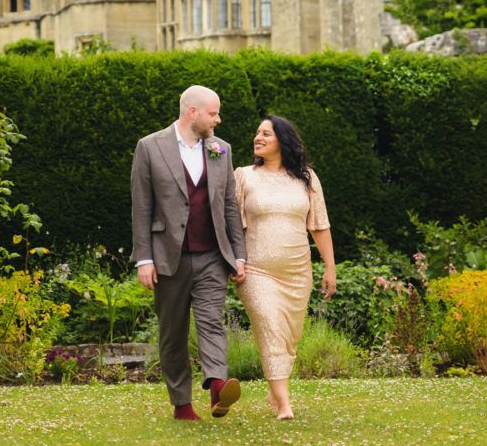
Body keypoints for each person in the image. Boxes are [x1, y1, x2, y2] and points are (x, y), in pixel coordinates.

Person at [130, 85, 247, 420]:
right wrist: (144, 258)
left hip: (213, 254)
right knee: (173, 331)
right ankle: (182, 404)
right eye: (213, 113)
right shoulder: (150, 148)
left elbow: (229, 207)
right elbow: (142, 207)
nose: (218, 120)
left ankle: (218, 388)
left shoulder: (220, 149)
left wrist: (238, 255)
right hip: (169, 256)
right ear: (192, 112)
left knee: (212, 322)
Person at [233, 115, 337, 420]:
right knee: (269, 327)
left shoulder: (306, 178)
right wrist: (234, 260)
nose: (258, 137)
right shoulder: (244, 176)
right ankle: (284, 403)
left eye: (266, 133)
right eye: (257, 133)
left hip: (296, 272)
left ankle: (275, 391)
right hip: (255, 270)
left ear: (283, 139)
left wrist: (329, 268)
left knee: (289, 336)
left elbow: (319, 226)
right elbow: (233, 224)